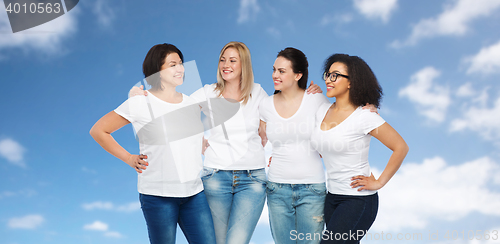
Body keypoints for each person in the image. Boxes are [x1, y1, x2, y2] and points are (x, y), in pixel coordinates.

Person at [130, 41, 322, 244]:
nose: (225, 65)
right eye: (222, 60)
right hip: (215, 178)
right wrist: (140, 96)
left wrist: (309, 95)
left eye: (232, 60)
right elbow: (174, 111)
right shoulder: (208, 92)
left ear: (244, 65)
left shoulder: (257, 93)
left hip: (252, 180)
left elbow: (281, 119)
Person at [89, 43, 216, 244]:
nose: (180, 69)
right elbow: (99, 130)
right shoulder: (140, 102)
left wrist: (203, 144)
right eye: (173, 64)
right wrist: (129, 158)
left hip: (194, 193)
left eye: (181, 63)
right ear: (157, 69)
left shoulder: (191, 103)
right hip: (158, 195)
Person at [310, 54, 409, 244]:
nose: (328, 80)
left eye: (335, 75)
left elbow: (401, 147)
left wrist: (379, 182)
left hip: (358, 200)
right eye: (327, 74)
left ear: (351, 82)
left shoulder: (365, 116)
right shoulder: (322, 110)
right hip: (332, 198)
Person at [259, 47, 329, 244]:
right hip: (277, 188)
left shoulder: (315, 100)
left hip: (312, 189)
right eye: (274, 70)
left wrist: (370, 108)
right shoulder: (265, 104)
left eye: (282, 71)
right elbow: (256, 139)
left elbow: (339, 127)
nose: (275, 75)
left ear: (298, 75)